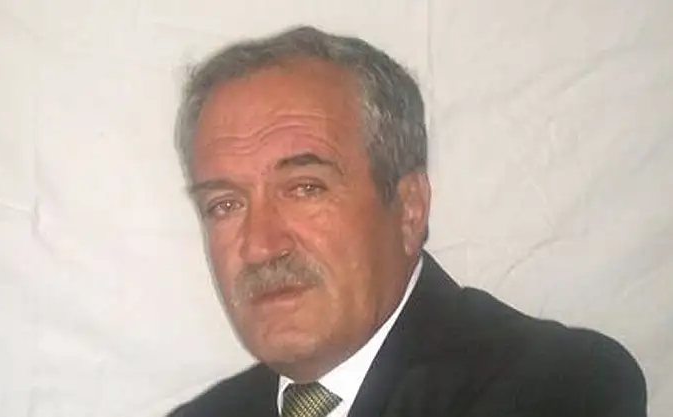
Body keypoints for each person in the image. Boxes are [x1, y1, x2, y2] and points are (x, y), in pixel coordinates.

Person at [167, 26, 646, 417]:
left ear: (409, 210)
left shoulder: (560, 387)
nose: (260, 246)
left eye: (306, 188)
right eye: (224, 205)